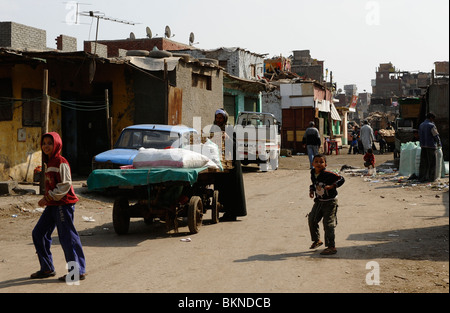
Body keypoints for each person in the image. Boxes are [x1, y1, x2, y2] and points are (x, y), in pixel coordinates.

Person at [31, 132, 86, 282]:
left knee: (67, 237)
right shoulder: (49, 162)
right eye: (44, 143)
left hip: (64, 204)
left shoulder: (61, 161)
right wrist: (48, 199)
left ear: (56, 145)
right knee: (38, 233)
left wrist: (47, 197)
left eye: (50, 143)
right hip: (53, 204)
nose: (46, 146)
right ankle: (47, 268)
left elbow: (65, 185)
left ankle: (77, 272)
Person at [307, 154, 345, 255]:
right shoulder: (312, 172)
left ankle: (331, 246)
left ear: (325, 164)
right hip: (319, 201)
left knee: (328, 224)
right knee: (312, 219)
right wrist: (311, 190)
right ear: (312, 163)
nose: (318, 164)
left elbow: (341, 179)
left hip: (330, 202)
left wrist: (333, 186)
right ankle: (317, 240)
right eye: (316, 161)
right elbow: (314, 183)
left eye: (321, 162)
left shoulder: (328, 174)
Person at [418, 112, 442, 182]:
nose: (433, 120)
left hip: (423, 146)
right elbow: (436, 136)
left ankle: (422, 178)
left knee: (423, 163)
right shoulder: (431, 125)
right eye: (433, 119)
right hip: (431, 146)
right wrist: (439, 144)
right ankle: (431, 178)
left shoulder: (421, 125)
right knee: (432, 163)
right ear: (431, 118)